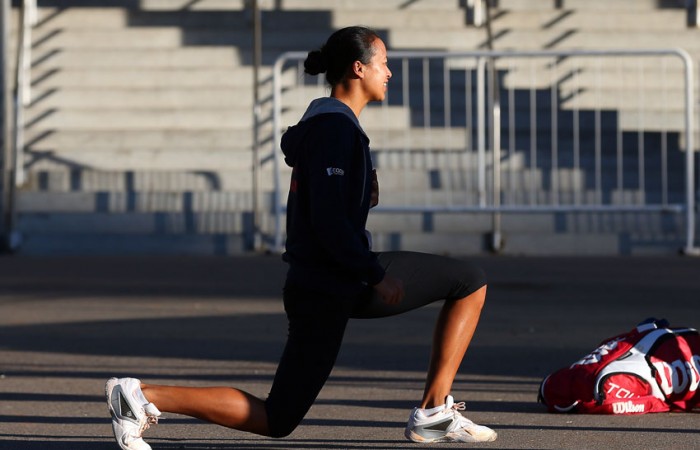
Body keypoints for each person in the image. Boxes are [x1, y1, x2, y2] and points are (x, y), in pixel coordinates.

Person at [105, 26, 497, 449]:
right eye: (383, 63)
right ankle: (141, 396)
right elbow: (328, 221)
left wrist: (361, 198)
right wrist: (375, 274)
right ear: (358, 67)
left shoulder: (329, 123)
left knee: (468, 281)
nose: (389, 73)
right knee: (278, 417)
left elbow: (327, 206)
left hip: (327, 279)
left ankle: (435, 413)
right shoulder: (334, 130)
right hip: (332, 281)